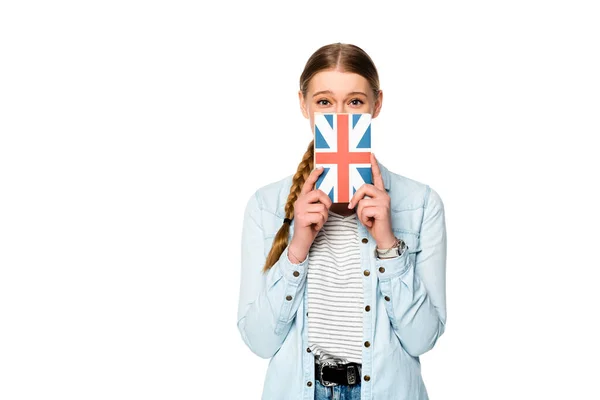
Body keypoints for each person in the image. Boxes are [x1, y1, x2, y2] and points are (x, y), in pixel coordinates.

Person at [237, 43, 447, 400]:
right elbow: (258, 340)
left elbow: (422, 338)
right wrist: (298, 247)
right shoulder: (265, 206)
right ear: (303, 105)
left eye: (354, 102)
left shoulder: (421, 204)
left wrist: (387, 244)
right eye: (323, 102)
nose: (340, 117)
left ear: (376, 105)